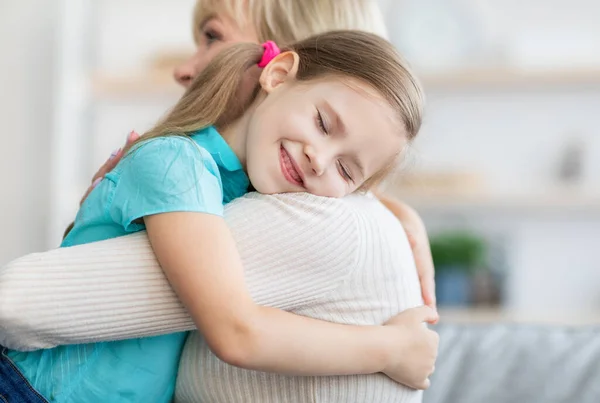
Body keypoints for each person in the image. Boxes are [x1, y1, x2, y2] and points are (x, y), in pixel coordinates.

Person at [0, 30, 435, 403]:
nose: (320, 160)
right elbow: (235, 332)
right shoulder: (176, 163)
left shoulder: (246, 197)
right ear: (278, 74)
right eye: (323, 122)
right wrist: (390, 350)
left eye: (346, 169)